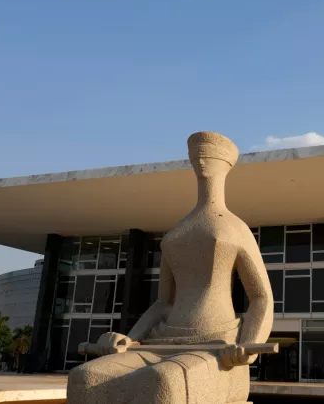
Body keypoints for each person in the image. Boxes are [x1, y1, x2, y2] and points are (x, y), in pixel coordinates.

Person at [67, 132, 274, 404]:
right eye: (196, 155)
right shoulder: (176, 233)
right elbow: (164, 303)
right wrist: (128, 339)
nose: (200, 160)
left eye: (208, 154)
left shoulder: (235, 228)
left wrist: (249, 346)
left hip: (216, 347)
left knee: (163, 382)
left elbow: (261, 297)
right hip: (162, 342)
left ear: (226, 163)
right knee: (85, 378)